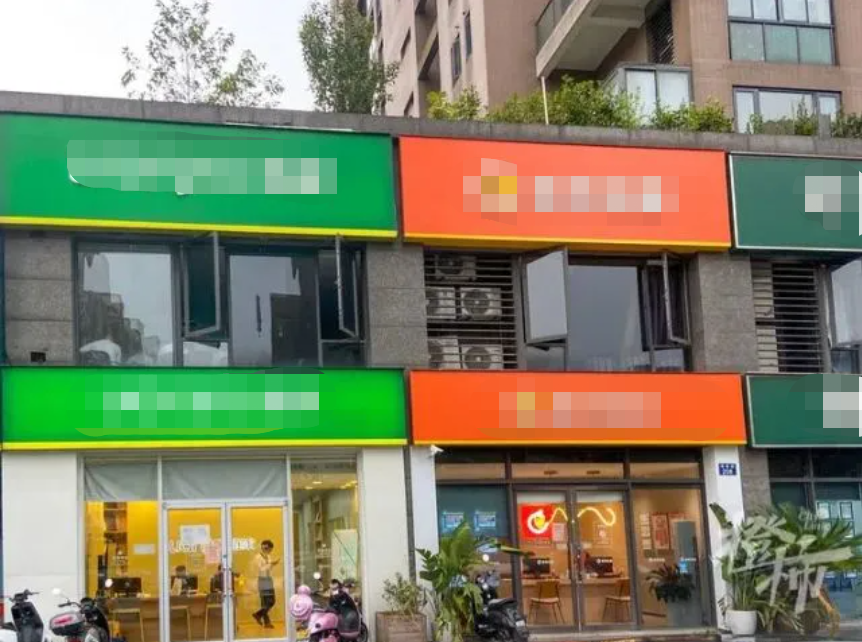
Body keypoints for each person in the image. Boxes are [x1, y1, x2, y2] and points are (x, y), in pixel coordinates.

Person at [252, 540, 280, 629]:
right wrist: (271, 564)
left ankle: (258, 614)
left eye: (270, 549)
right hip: (262, 579)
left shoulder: (268, 557)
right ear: (263, 547)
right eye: (267, 548)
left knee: (272, 601)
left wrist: (273, 564)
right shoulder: (257, 557)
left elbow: (269, 569)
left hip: (268, 579)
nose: (269, 550)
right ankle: (267, 622)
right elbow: (261, 569)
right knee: (265, 602)